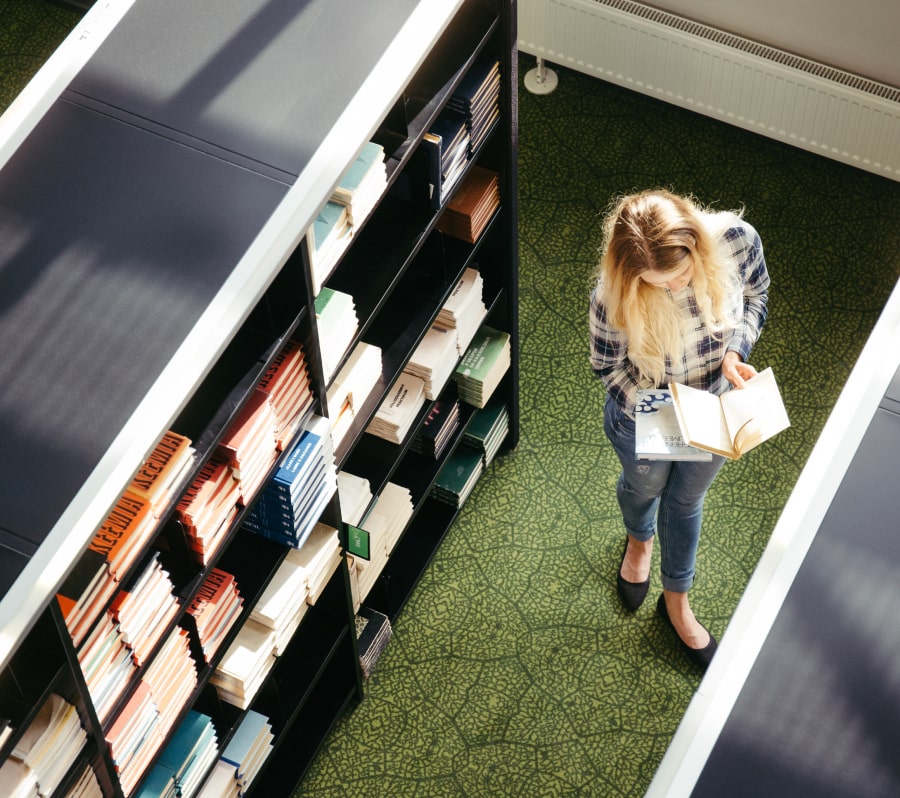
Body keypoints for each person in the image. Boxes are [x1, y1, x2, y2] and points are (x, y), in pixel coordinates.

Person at [589, 189, 770, 669]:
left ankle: (677, 600)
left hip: (715, 405)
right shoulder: (612, 296)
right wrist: (661, 408)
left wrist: (736, 350)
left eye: (682, 275)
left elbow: (755, 297)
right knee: (645, 485)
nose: (673, 289)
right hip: (648, 411)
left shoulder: (736, 239)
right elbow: (608, 368)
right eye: (656, 283)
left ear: (697, 247)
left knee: (688, 500)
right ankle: (640, 536)